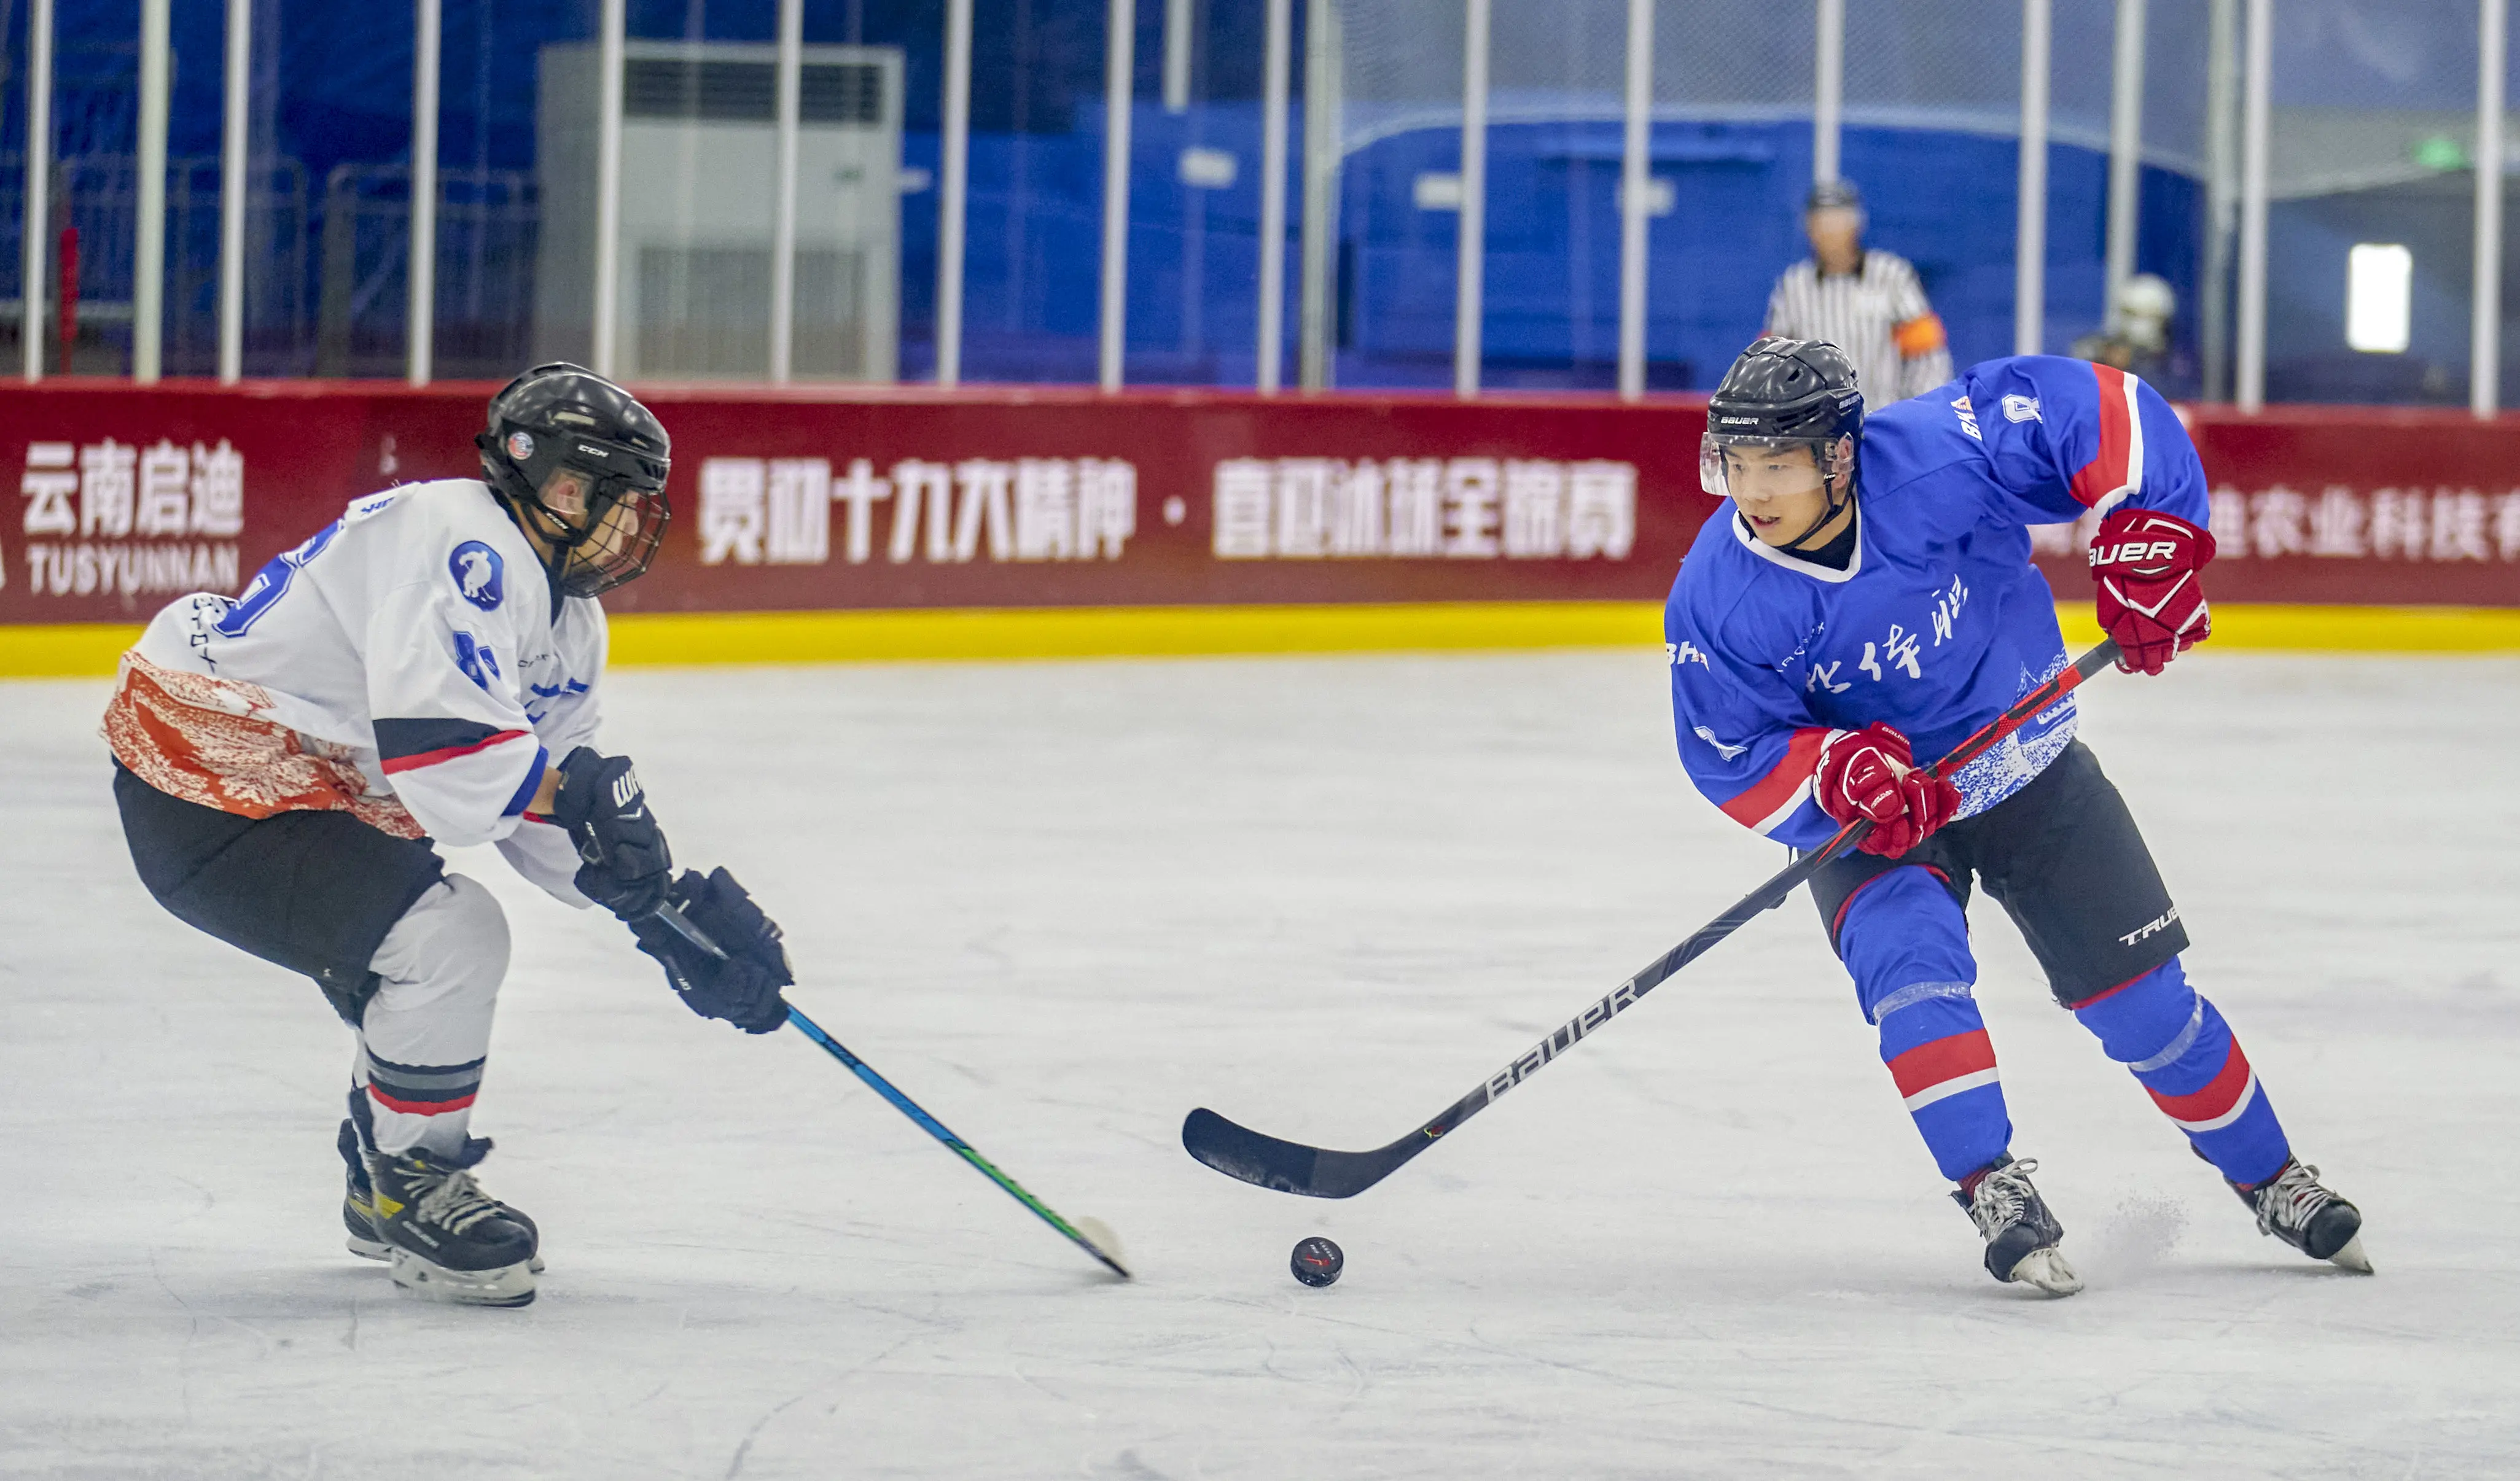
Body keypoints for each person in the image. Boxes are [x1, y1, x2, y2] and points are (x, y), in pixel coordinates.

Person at [1664, 336, 2369, 1295]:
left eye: (1775, 465)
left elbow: (2105, 411)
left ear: (1838, 456)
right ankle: (1989, 1185)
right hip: (1879, 818)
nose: (1750, 491)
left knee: (2143, 1004)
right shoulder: (1716, 593)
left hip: (2018, 760)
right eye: (1735, 465)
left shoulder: (1938, 454)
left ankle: (2272, 1177)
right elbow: (1724, 749)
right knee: (1912, 977)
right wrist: (1833, 776)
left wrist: (2150, 533)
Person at [103, 363, 797, 1307]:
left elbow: (540, 801)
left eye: (640, 507)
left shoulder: (567, 618)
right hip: (213, 790)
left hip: (303, 790)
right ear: (548, 482)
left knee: (416, 970)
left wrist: (664, 914)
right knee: (448, 942)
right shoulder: (460, 540)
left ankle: (381, 1178)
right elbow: (450, 763)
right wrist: (585, 803)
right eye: (609, 499)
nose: (630, 526)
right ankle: (412, 1187)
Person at [1763, 179, 1952, 404]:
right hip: (1818, 427)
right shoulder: (1793, 286)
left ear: (1856, 224)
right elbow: (1774, 364)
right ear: (1809, 229)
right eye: (1821, 222)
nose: (1829, 231)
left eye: (1837, 220)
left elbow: (1927, 357)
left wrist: (1917, 414)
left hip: (1884, 419)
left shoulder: (1892, 276)